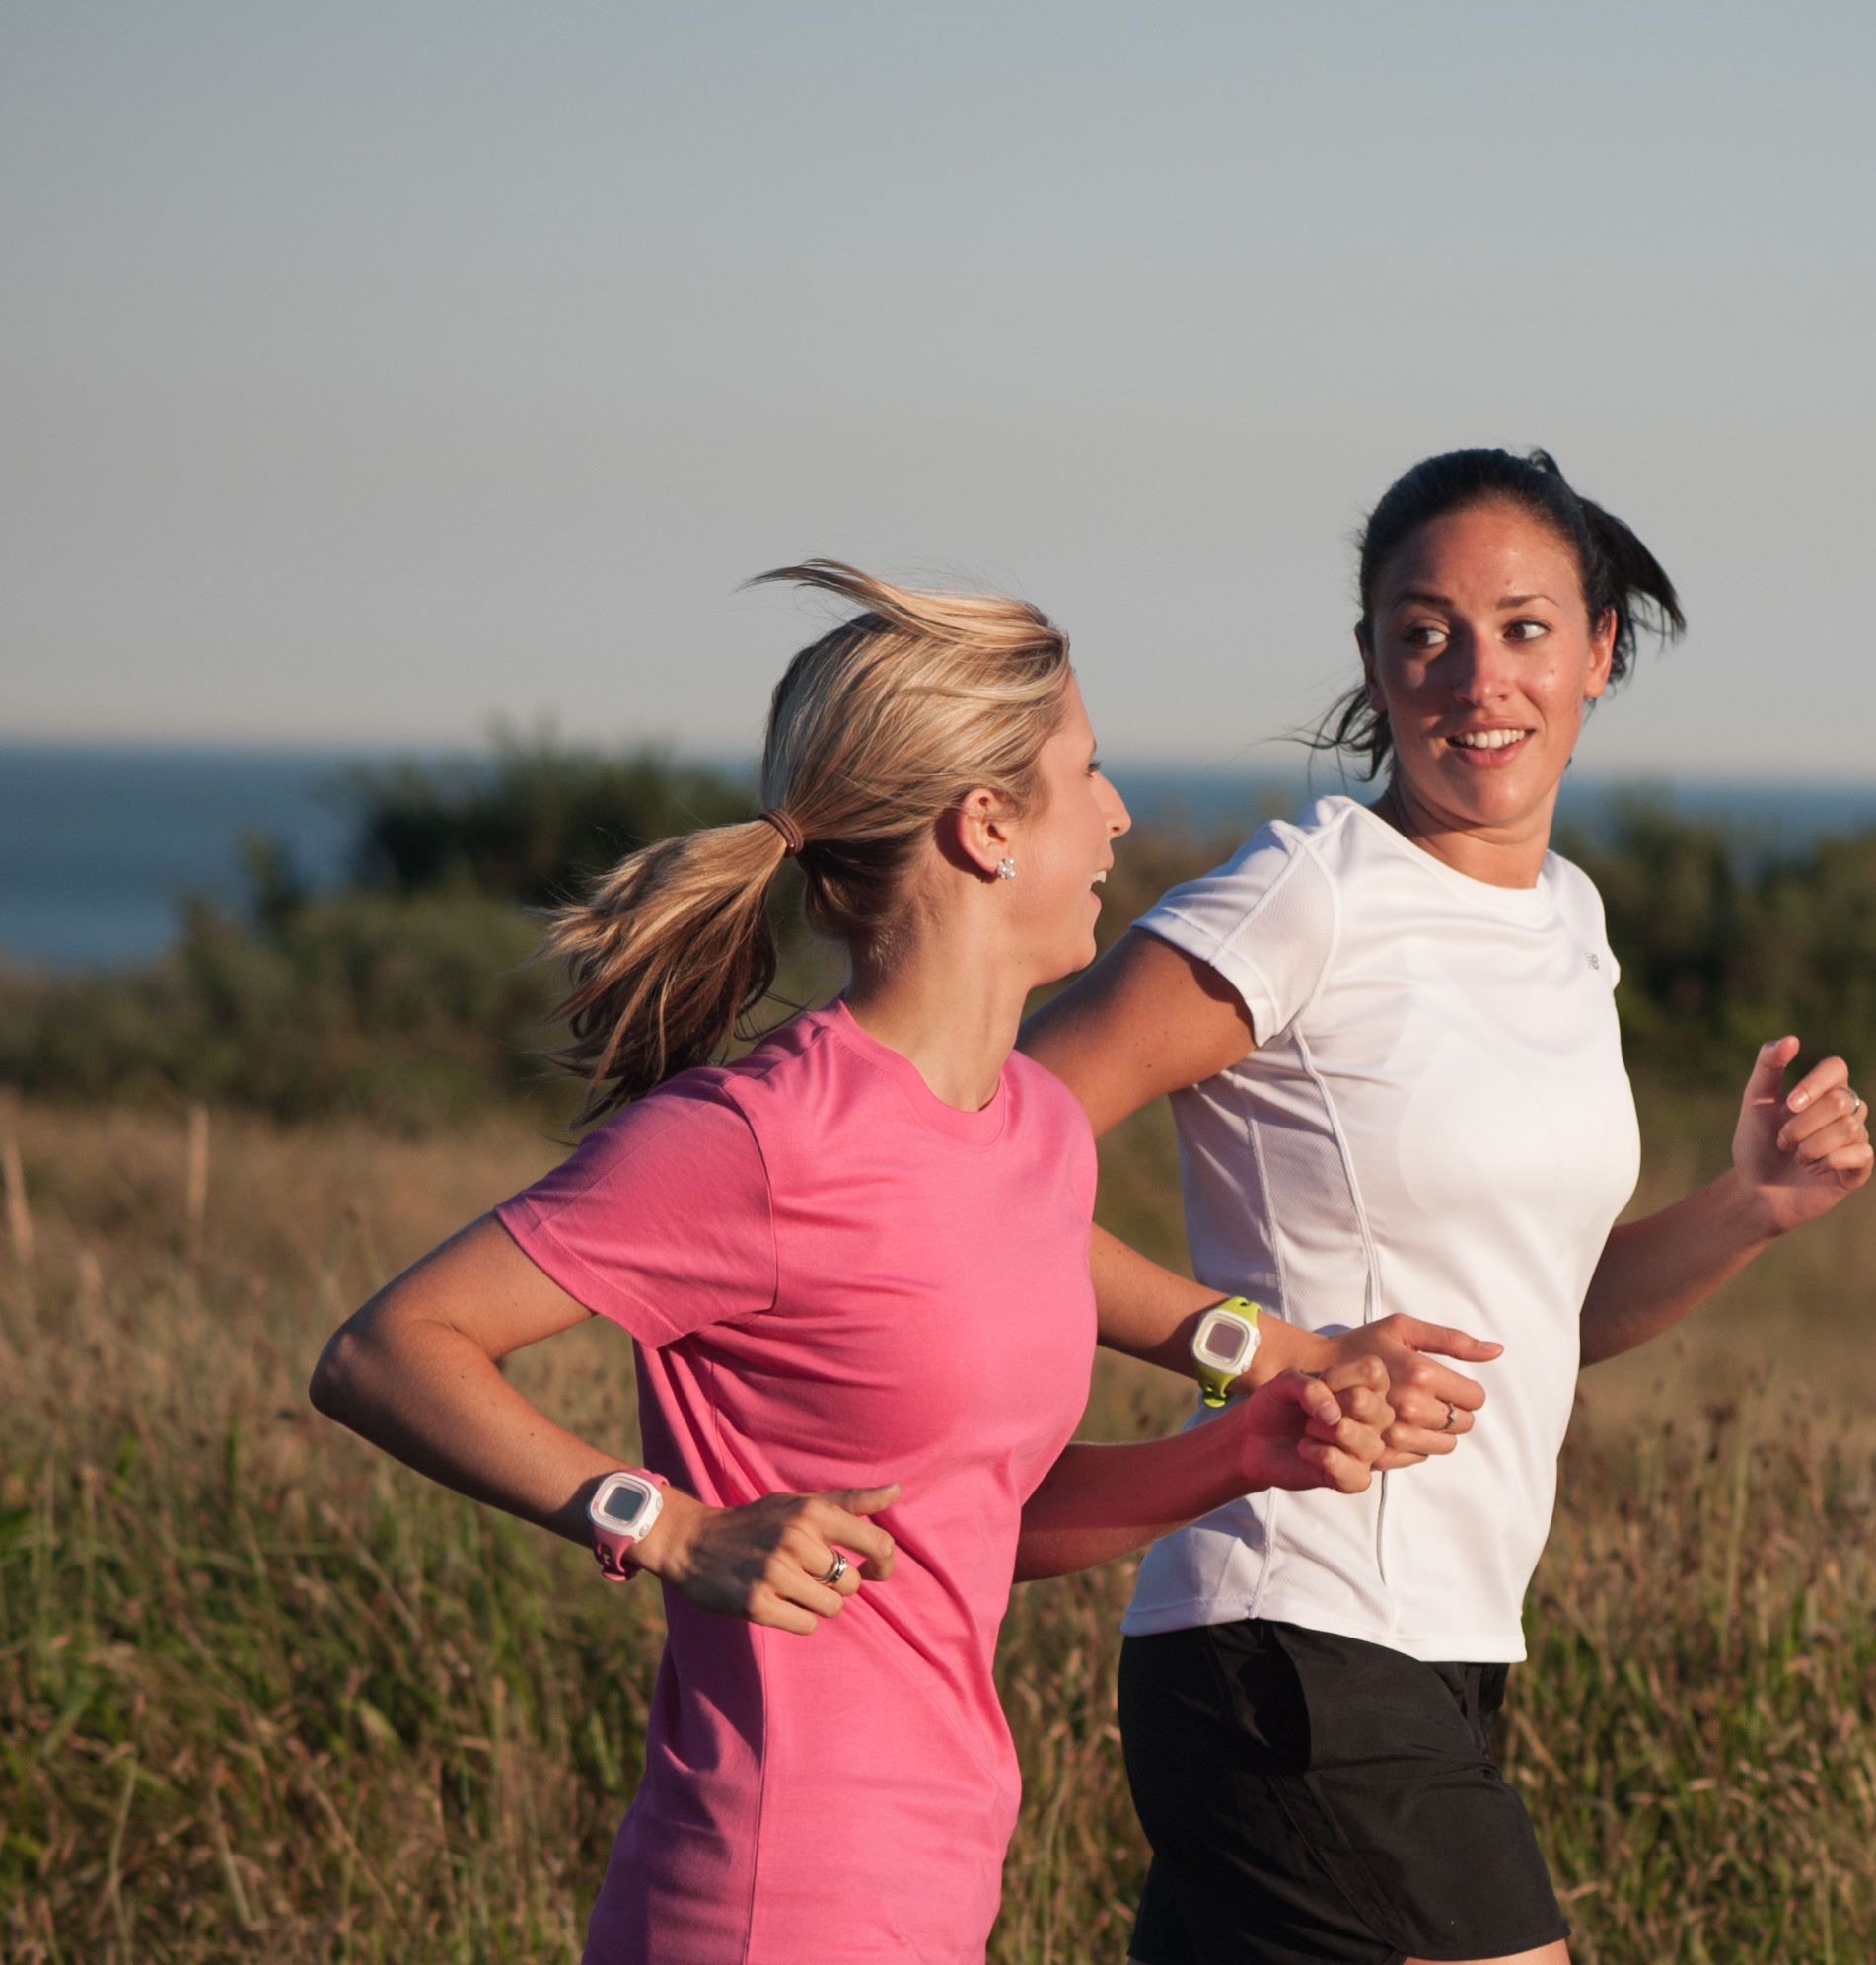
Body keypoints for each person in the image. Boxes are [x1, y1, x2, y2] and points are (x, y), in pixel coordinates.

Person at [307, 563, 1396, 1965]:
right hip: (764, 1895)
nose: (1119, 813)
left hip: (938, 1887)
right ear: (986, 826)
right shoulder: (761, 1137)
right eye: (1091, 772)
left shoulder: (1038, 1135)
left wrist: (1250, 1450)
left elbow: (975, 1528)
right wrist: (670, 1528)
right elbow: (387, 1350)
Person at [1019, 449, 1876, 1965]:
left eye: (1526, 628)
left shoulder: (1570, 923)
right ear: (1372, 662)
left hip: (1452, 1645)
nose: (1476, 677)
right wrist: (1259, 1352)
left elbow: (1532, 1326)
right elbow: (970, 1160)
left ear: (1600, 653)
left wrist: (1747, 1209)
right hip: (1294, 1620)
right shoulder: (1310, 893)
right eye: (1425, 633)